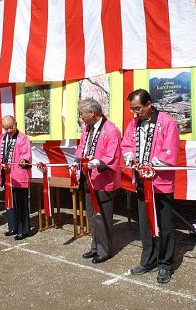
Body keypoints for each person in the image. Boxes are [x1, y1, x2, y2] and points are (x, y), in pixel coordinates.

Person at [121, 89, 180, 283]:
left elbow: (170, 150)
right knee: (145, 224)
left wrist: (154, 162)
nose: (135, 113)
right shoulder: (134, 123)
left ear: (149, 104)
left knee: (164, 225)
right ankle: (148, 260)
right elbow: (127, 144)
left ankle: (165, 264)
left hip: (160, 182)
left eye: (138, 108)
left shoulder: (166, 122)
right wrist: (129, 156)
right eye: (132, 109)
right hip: (140, 181)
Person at [75, 98, 121, 264]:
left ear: (92, 113)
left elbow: (112, 154)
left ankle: (104, 250)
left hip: (103, 179)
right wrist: (78, 159)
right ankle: (95, 246)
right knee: (92, 215)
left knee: (102, 215)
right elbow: (81, 147)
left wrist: (99, 162)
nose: (81, 117)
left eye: (82, 113)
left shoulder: (111, 129)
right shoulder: (87, 128)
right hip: (89, 177)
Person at [0, 115, 32, 240]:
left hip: (18, 176)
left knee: (21, 203)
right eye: (6, 129)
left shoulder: (23, 138)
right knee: (9, 203)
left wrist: (23, 160)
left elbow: (26, 154)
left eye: (11, 127)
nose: (9, 130)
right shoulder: (1, 138)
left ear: (16, 123)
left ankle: (23, 230)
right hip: (6, 176)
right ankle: (13, 227)